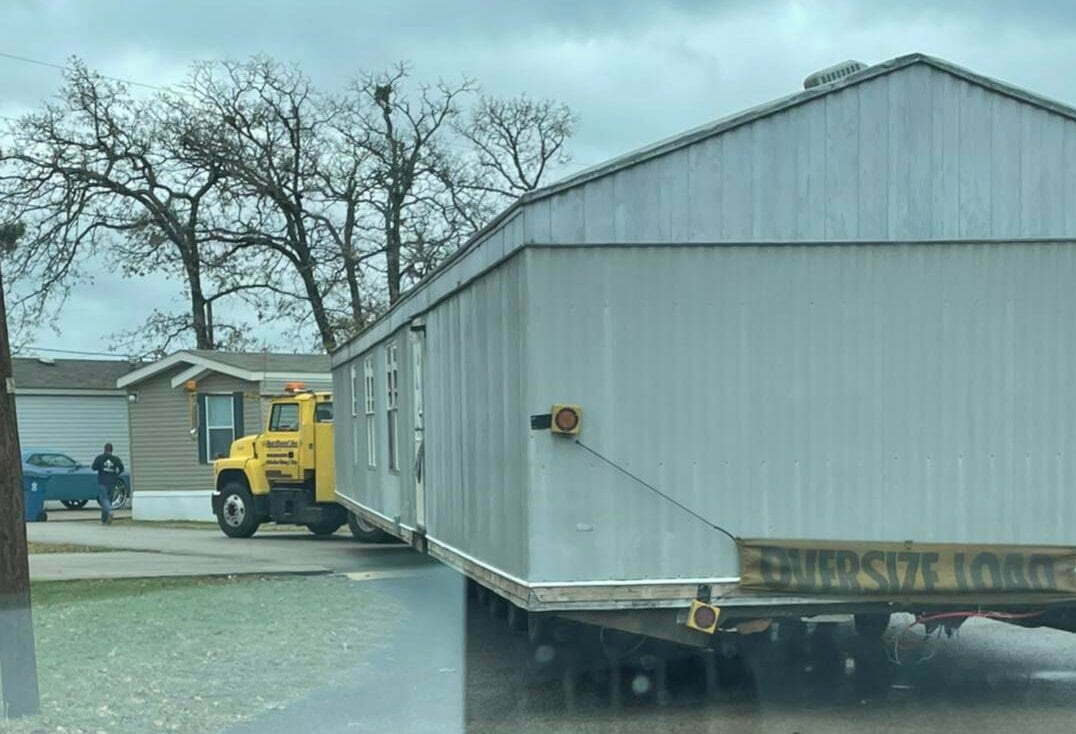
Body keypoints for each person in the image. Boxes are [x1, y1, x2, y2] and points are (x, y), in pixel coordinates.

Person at [91, 443, 125, 525]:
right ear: (112, 450)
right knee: (108, 501)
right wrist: (116, 474)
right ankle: (104, 520)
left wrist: (100, 468)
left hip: (102, 481)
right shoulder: (116, 459)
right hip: (113, 482)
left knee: (104, 499)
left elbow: (93, 468)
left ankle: (110, 512)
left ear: (104, 449)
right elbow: (121, 468)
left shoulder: (100, 458)